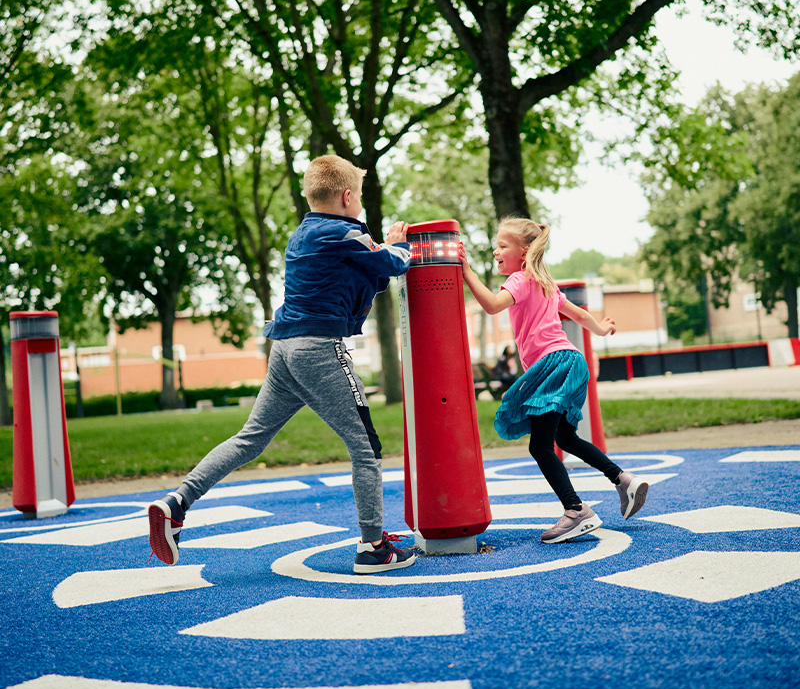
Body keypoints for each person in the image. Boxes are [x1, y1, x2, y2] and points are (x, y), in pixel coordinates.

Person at [148, 155, 416, 574]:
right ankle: (372, 547)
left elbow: (370, 278)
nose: (360, 203)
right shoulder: (345, 232)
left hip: (284, 352)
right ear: (347, 196)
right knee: (365, 448)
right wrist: (398, 243)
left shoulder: (304, 234)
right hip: (318, 350)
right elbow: (393, 265)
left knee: (250, 438)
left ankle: (178, 501)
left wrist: (381, 254)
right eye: (359, 196)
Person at [459, 217, 648, 544]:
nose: (496, 251)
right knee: (566, 438)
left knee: (540, 445)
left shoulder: (520, 280)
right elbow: (578, 315)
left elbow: (491, 306)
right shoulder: (547, 284)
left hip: (553, 364)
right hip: (573, 361)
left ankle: (576, 511)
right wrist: (601, 329)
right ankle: (623, 479)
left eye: (503, 245)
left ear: (525, 250)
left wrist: (466, 272)